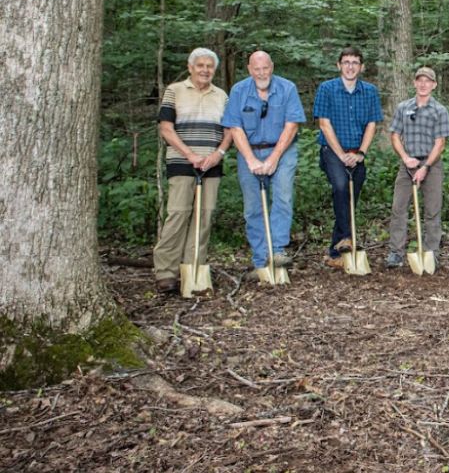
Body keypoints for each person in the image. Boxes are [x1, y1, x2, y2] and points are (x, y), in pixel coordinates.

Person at [151, 48, 233, 293]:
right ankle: (166, 272)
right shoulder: (174, 91)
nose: (205, 70)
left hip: (212, 164)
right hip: (181, 162)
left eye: (209, 66)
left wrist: (217, 154)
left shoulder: (222, 96)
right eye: (200, 65)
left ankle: (193, 269)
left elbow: (229, 131)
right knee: (178, 214)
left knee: (204, 217)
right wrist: (190, 155)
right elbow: (166, 128)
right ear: (190, 67)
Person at [223, 50, 306, 272]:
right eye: (257, 69)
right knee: (253, 207)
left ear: (272, 67)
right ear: (250, 69)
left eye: (265, 68)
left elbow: (292, 125)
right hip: (248, 151)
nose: (262, 73)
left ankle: (277, 250)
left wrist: (274, 158)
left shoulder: (287, 88)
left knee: (283, 197)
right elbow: (235, 127)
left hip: (283, 150)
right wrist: (251, 159)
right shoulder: (239, 91)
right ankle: (261, 259)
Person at [313, 47, 383, 268]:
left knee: (351, 197)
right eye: (346, 62)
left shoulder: (369, 91)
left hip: (357, 151)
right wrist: (341, 154)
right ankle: (347, 238)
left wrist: (361, 152)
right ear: (339, 65)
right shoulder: (327, 89)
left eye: (355, 62)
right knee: (342, 187)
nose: (350, 66)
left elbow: (372, 123)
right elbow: (324, 123)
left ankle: (336, 252)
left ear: (361, 67)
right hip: (332, 151)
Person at [386, 66, 449, 269]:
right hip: (407, 165)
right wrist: (405, 158)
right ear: (414, 83)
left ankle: (431, 253)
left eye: (428, 81)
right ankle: (396, 253)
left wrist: (425, 167)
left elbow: (440, 142)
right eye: (420, 80)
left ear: (434, 85)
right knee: (399, 208)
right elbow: (395, 135)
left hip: (431, 164)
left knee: (432, 210)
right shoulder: (403, 107)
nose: (423, 84)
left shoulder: (439, 110)